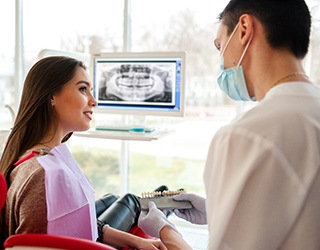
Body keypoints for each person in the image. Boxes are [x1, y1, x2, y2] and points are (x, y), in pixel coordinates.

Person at [138, 0, 320, 249]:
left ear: (244, 29)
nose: (222, 61)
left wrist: (167, 231)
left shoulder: (247, 135)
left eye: (219, 46)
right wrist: (217, 212)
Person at [0, 56, 166, 250]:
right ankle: (157, 203)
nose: (94, 101)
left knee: (113, 199)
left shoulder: (34, 157)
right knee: (132, 200)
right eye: (82, 89)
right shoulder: (44, 174)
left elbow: (73, 228)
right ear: (51, 96)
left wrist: (137, 240)